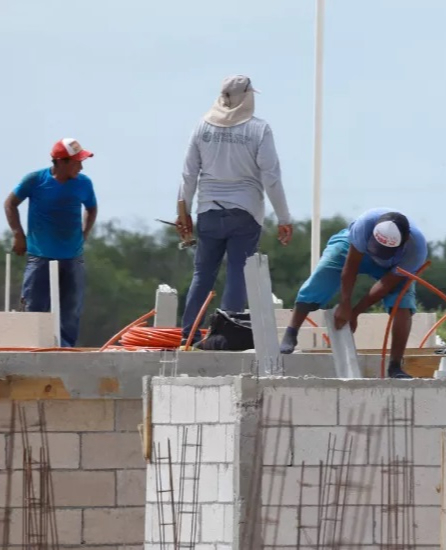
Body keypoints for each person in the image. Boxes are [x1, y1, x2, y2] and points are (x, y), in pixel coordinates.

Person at [176, 75, 293, 344]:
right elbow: (271, 177)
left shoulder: (202, 127)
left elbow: (188, 175)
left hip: (207, 211)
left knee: (202, 274)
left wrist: (183, 214)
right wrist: (284, 218)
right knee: (239, 272)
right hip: (245, 212)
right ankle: (225, 337)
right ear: (248, 96)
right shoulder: (259, 130)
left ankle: (188, 337)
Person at [280, 208, 428, 379]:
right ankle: (291, 331)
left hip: (393, 266)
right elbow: (350, 267)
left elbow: (385, 285)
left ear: (404, 242)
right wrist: (345, 303)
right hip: (355, 248)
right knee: (323, 276)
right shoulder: (364, 225)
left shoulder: (416, 251)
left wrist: (355, 312)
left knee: (402, 303)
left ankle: (395, 367)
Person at [3, 139, 98, 347]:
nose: (81, 167)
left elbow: (91, 208)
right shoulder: (35, 180)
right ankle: (30, 348)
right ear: (60, 162)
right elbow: (10, 203)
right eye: (76, 162)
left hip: (73, 257)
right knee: (33, 308)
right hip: (40, 256)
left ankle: (65, 348)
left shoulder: (83, 183)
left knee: (71, 310)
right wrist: (18, 234)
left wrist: (85, 232)